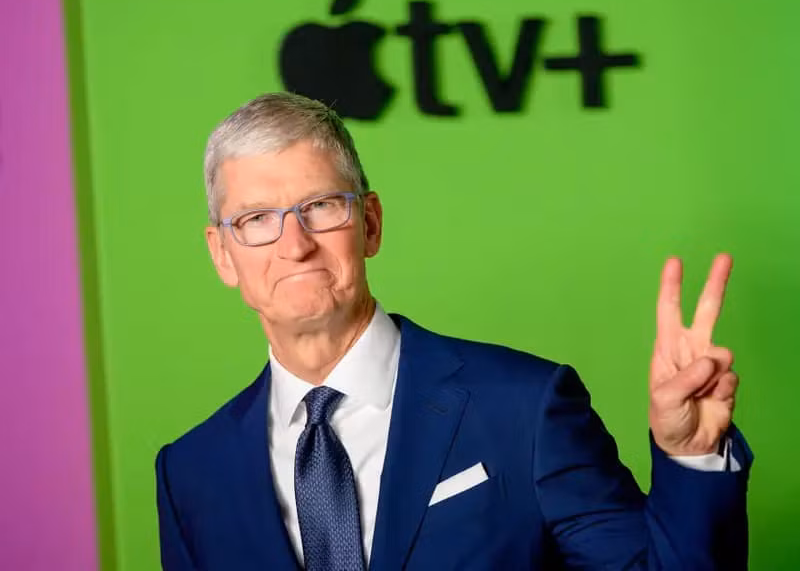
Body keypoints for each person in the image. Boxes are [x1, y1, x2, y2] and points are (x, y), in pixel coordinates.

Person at [155, 92, 752, 570]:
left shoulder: (525, 410)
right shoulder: (191, 473)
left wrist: (691, 458)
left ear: (369, 224)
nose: (295, 244)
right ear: (223, 254)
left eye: (321, 206)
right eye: (257, 219)